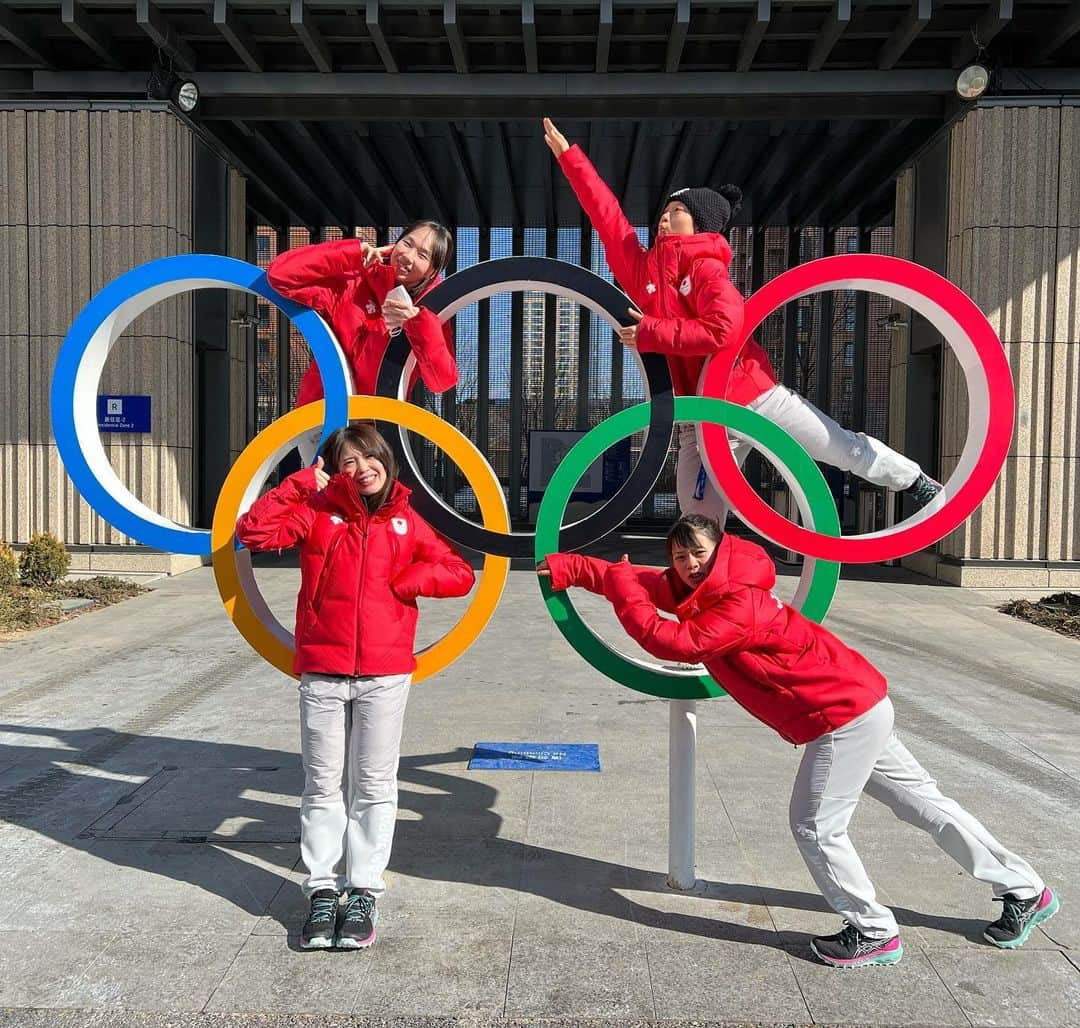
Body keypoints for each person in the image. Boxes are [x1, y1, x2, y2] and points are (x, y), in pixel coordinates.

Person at [538, 513, 1058, 968]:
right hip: (859, 704)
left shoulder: (737, 603)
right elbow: (637, 582)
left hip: (841, 716)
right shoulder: (703, 589)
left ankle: (873, 932)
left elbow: (669, 639)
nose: (688, 564)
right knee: (924, 806)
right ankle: (1026, 889)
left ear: (718, 550)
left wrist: (627, 590)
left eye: (698, 552)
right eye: (679, 556)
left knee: (814, 825)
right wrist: (571, 569)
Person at [541, 117, 942, 524]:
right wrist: (570, 158)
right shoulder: (643, 271)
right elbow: (607, 218)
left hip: (754, 397)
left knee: (838, 447)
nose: (664, 217)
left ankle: (914, 481)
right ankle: (705, 584)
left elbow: (723, 330)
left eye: (676, 211)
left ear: (700, 224)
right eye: (664, 210)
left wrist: (651, 332)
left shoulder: (706, 269)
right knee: (696, 520)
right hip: (699, 416)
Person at [236, 423, 475, 950]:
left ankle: (362, 890)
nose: (362, 469)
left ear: (386, 461)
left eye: (369, 458)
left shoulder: (407, 521)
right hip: (322, 670)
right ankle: (322, 890)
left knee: (373, 785)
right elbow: (252, 533)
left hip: (385, 675)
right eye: (348, 462)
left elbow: (459, 573)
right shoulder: (317, 510)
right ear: (334, 469)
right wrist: (301, 484)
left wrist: (410, 582)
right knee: (321, 784)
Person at [268, 222, 459, 464]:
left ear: (432, 271)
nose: (408, 257)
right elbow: (279, 275)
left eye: (423, 255)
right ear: (395, 244)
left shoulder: (430, 312)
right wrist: (351, 254)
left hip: (375, 433)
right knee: (321, 495)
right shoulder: (354, 281)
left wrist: (416, 322)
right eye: (407, 243)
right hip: (322, 416)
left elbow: (442, 381)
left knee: (364, 500)